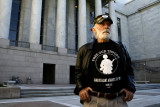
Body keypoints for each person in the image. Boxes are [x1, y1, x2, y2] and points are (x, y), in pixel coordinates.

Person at [74, 14, 136, 107]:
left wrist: (130, 88)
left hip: (118, 100)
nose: (106, 27)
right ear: (94, 30)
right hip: (93, 100)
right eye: (102, 24)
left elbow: (129, 69)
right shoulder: (85, 49)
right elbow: (78, 72)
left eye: (108, 24)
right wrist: (81, 88)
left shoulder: (120, 47)